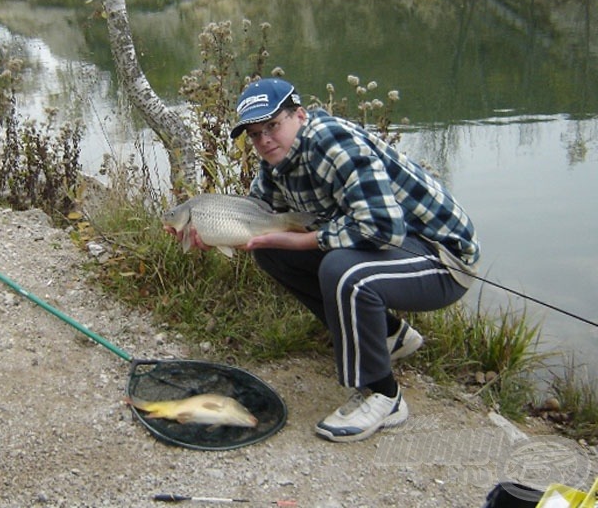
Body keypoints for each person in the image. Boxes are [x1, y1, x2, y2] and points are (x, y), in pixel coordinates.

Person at [175, 77, 480, 443]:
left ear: (300, 115)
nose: (264, 139)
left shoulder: (332, 143)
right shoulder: (276, 160)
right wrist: (213, 232)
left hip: (441, 258)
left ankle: (384, 396)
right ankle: (389, 336)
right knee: (270, 250)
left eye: (272, 126)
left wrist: (306, 240)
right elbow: (261, 215)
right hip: (393, 250)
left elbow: (384, 229)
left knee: (344, 271)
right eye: (255, 134)